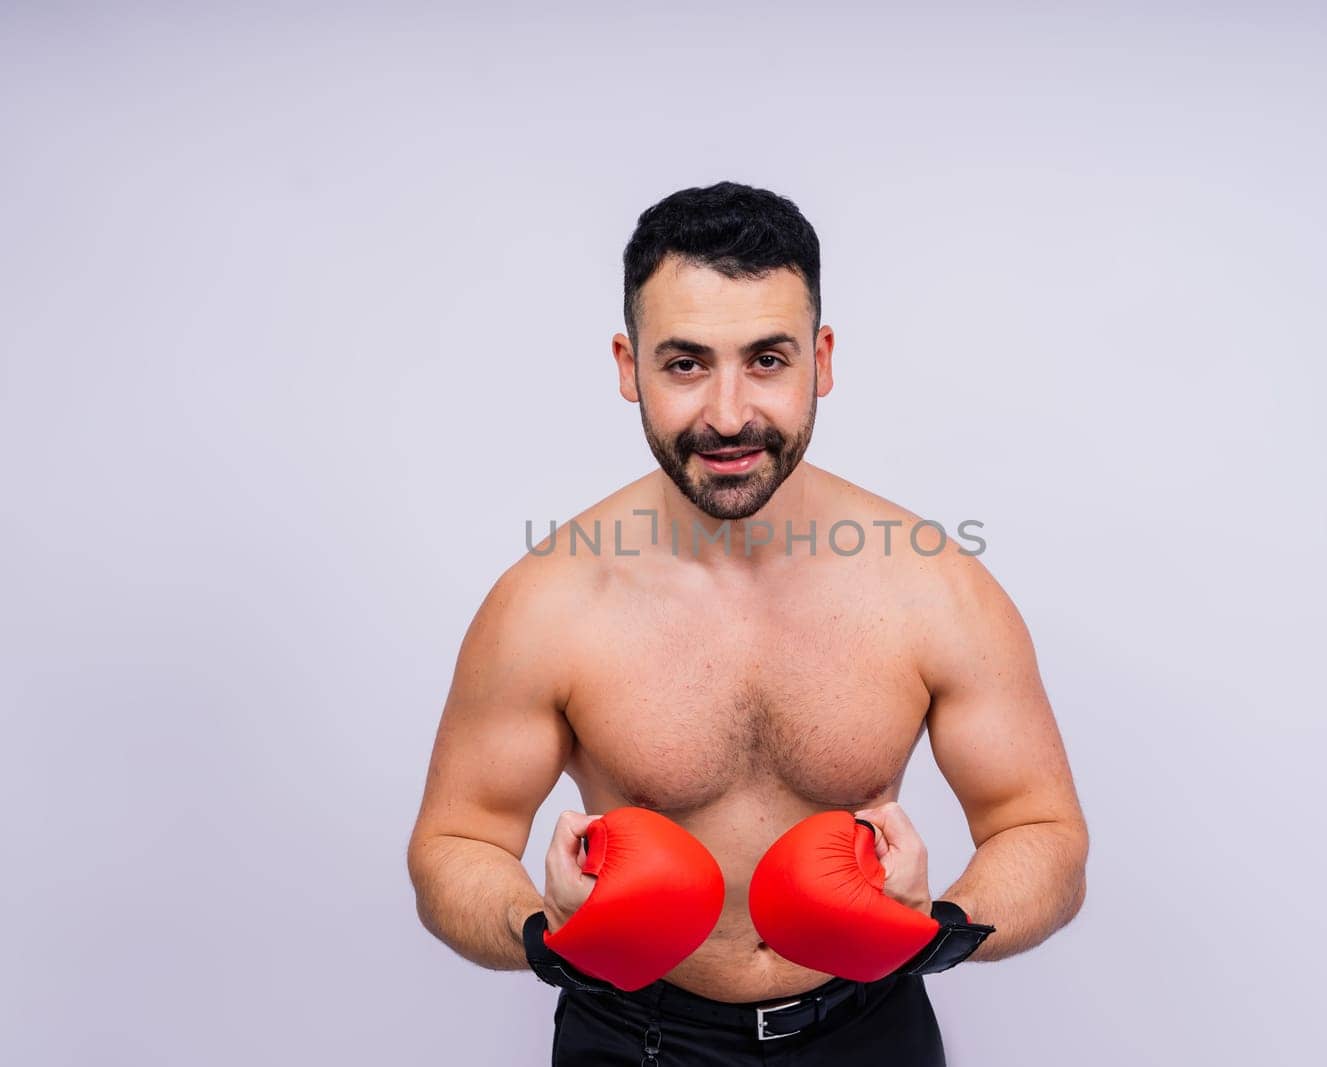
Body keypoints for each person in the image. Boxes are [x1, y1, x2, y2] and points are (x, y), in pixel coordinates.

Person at [406, 180, 1089, 1064]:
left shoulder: (933, 586)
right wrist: (544, 928)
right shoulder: (548, 602)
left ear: (823, 359)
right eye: (685, 364)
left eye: (767, 359)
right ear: (628, 365)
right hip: (633, 1037)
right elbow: (453, 845)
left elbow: (1044, 834)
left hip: (868, 1030)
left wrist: (939, 925)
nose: (728, 415)